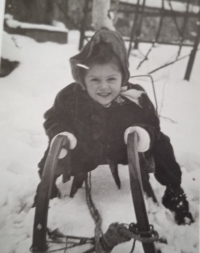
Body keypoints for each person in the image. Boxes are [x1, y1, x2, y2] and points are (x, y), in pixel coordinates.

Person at [36, 28, 193, 225]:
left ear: (123, 77)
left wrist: (142, 133)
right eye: (95, 79)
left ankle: (174, 194)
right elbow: (53, 118)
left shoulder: (134, 97)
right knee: (54, 148)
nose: (104, 87)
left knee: (162, 144)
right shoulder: (70, 97)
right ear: (83, 79)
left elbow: (152, 123)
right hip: (83, 149)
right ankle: (45, 191)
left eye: (111, 79)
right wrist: (62, 134)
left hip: (124, 149)